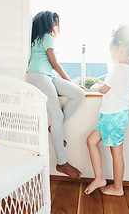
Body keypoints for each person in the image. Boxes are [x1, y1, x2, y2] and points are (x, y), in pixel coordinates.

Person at [26, 11, 85, 179]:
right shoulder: (46, 37)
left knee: (79, 94)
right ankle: (62, 163)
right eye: (55, 22)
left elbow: (51, 68)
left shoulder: (37, 38)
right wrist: (71, 81)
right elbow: (55, 64)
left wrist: (72, 85)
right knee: (57, 115)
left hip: (47, 76)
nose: (56, 26)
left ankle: (55, 127)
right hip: (38, 76)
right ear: (49, 23)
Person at [85, 25, 129, 196]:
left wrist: (94, 85)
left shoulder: (117, 69)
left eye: (112, 51)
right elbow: (113, 87)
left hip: (113, 116)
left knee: (116, 153)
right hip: (116, 115)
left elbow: (103, 89)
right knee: (91, 141)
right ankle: (100, 178)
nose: (111, 56)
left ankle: (118, 188)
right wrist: (103, 86)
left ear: (122, 50)